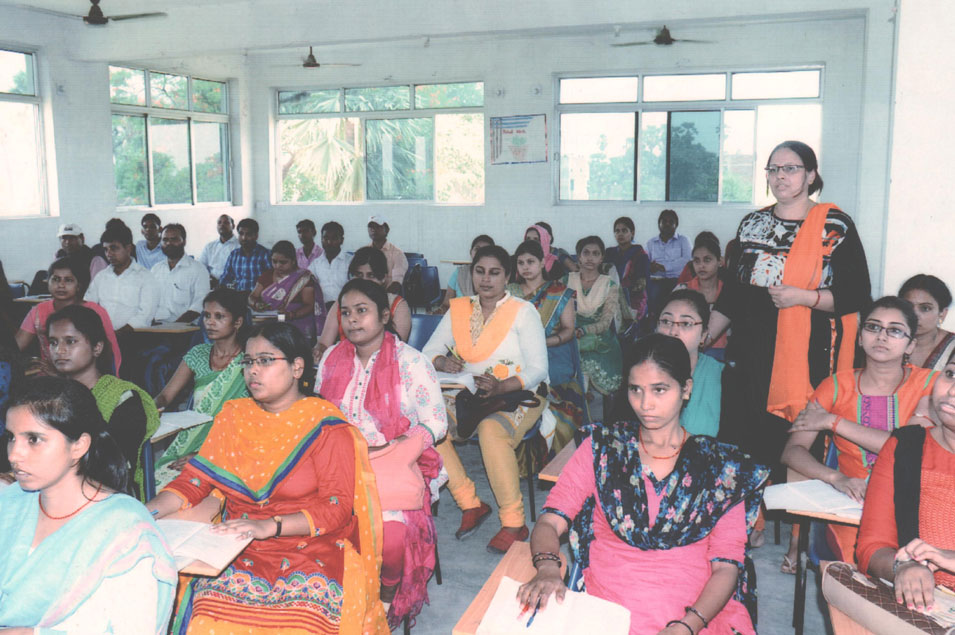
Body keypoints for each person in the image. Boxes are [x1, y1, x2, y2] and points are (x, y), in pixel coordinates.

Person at [147, 322, 388, 634]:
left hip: (309, 545)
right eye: (248, 361)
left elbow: (336, 508)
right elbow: (194, 481)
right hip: (236, 544)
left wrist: (269, 526)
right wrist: (145, 512)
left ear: (297, 367)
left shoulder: (326, 426)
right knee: (205, 623)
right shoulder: (234, 416)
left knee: (298, 628)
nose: (253, 370)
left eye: (265, 360)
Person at [519, 334, 768, 634]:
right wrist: (548, 567)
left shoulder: (720, 469)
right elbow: (550, 520)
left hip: (696, 614)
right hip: (607, 611)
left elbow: (727, 566)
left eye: (659, 390)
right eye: (635, 389)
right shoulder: (603, 450)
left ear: (686, 389)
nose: (645, 403)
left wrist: (687, 626)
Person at [708, 140, 871, 479]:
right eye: (773, 169)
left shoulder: (835, 225)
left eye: (790, 169)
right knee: (746, 441)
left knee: (793, 443)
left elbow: (856, 294)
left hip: (807, 354)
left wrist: (804, 297)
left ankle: (791, 509)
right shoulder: (751, 223)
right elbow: (733, 295)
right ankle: (752, 509)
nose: (780, 176)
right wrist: (702, 336)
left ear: (811, 175)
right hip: (751, 352)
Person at [317, 278, 446, 628]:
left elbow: (437, 422)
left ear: (385, 316)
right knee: (311, 524)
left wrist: (394, 446)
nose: (353, 320)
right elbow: (319, 414)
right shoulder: (331, 358)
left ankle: (385, 600)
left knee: (390, 538)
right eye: (346, 313)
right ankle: (337, 595)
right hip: (340, 462)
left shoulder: (411, 362)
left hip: (394, 463)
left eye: (362, 311)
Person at [0, 377, 176, 633]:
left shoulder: (125, 530)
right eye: (11, 438)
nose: (14, 455)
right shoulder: (11, 502)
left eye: (34, 439)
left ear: (79, 445)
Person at [781, 297, 937, 566]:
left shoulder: (930, 385)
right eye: (873, 327)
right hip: (852, 505)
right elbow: (792, 451)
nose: (882, 336)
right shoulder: (835, 386)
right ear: (860, 337)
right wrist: (836, 478)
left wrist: (833, 422)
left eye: (895, 330)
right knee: (854, 572)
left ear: (911, 344)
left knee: (915, 567)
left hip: (918, 504)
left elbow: (905, 449)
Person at [423, 245, 548, 553]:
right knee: (429, 425)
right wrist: (443, 361)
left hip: (519, 391)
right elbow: (429, 352)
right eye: (480, 271)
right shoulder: (459, 309)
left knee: (492, 430)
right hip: (471, 392)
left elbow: (538, 369)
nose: (486, 279)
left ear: (508, 276)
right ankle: (470, 503)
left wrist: (501, 387)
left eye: (495, 273)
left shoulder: (523, 311)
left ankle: (514, 522)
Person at [856, 349, 955, 610]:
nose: (952, 390)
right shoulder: (906, 448)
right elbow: (872, 547)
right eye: (951, 374)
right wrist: (904, 567)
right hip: (926, 610)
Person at [47, 305, 160, 500]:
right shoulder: (49, 396)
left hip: (107, 494)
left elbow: (112, 465)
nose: (59, 350)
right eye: (53, 342)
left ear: (97, 348)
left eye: (70, 341)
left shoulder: (124, 398)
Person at [153, 288, 250, 484]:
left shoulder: (249, 360)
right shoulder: (198, 354)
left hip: (234, 447)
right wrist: (152, 408)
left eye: (219, 316)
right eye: (206, 315)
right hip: (193, 441)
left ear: (237, 322)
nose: (210, 322)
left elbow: (252, 422)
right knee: (161, 479)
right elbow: (165, 396)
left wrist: (207, 455)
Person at [509, 239, 583, 452]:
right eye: (521, 263)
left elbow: (568, 330)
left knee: (552, 398)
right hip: (516, 352)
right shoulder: (510, 292)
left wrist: (541, 343)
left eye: (530, 262)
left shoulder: (559, 292)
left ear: (542, 262)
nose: (525, 267)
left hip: (553, 352)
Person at [16, 257, 122, 375]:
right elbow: (16, 346)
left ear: (79, 285)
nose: (61, 285)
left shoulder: (95, 311)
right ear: (47, 282)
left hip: (88, 375)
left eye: (68, 280)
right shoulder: (38, 311)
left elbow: (108, 352)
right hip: (50, 374)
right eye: (56, 279)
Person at [313, 246, 412, 361]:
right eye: (359, 275)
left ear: (383, 279)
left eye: (371, 275)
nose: (364, 281)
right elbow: (324, 343)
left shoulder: (397, 306)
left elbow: (396, 350)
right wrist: (319, 350)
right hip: (344, 363)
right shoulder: (341, 304)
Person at [657, 289, 724, 438]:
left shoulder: (723, 378)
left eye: (686, 323)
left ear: (703, 335)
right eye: (666, 321)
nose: (673, 331)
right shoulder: (640, 372)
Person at [566, 236, 623, 398]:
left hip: (600, 338)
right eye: (586, 253)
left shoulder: (609, 285)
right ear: (579, 256)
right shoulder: (566, 281)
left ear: (601, 258)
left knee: (586, 357)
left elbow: (606, 322)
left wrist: (584, 330)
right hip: (569, 332)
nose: (590, 258)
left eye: (595, 253)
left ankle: (585, 396)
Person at [84, 222, 159, 332]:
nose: (109, 254)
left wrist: (118, 334)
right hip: (102, 335)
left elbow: (145, 316)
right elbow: (89, 305)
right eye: (106, 249)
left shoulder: (145, 277)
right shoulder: (101, 277)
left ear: (128, 248)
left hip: (134, 336)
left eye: (114, 248)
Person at [249, 240, 325, 343]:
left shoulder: (303, 278)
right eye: (274, 261)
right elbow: (252, 296)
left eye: (283, 262)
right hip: (270, 323)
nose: (277, 266)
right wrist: (256, 304)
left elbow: (309, 305)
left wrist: (291, 315)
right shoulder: (267, 275)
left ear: (293, 261)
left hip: (296, 325)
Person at [676, 232, 728, 361]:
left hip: (724, 351)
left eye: (707, 260)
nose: (701, 266)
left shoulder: (729, 292)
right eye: (697, 261)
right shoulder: (682, 290)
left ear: (720, 261)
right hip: (689, 351)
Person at [150, 223, 210, 323]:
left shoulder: (198, 269)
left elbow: (199, 304)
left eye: (174, 239)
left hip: (185, 328)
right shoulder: (156, 269)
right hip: (155, 326)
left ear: (184, 241)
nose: (169, 243)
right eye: (165, 240)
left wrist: (175, 326)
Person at [899, 274, 955, 370]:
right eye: (908, 306)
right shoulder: (887, 340)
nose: (915, 315)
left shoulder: (952, 347)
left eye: (925, 308)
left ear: (942, 313)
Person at [604, 216, 651, 326]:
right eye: (617, 231)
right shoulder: (609, 253)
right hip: (610, 294)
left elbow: (641, 284)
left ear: (632, 233)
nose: (620, 234)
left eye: (624, 231)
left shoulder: (640, 255)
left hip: (633, 298)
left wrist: (621, 294)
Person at [647, 209, 692, 314]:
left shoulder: (683, 240)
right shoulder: (651, 243)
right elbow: (645, 262)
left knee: (677, 304)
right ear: (659, 224)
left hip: (678, 280)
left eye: (671, 222)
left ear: (676, 225)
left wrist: (664, 267)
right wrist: (650, 267)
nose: (667, 224)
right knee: (653, 298)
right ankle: (654, 321)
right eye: (664, 221)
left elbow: (687, 261)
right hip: (656, 280)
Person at [440, 234, 494, 313]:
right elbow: (446, 305)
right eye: (477, 249)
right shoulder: (459, 274)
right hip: (460, 318)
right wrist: (438, 311)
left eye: (486, 250)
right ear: (471, 252)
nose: (480, 253)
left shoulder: (497, 277)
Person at [218, 218, 272, 292]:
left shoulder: (265, 255)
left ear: (256, 236)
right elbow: (225, 277)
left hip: (257, 296)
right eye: (241, 234)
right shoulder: (234, 255)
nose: (244, 238)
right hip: (238, 295)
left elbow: (271, 282)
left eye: (248, 234)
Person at [307, 221, 352, 308]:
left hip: (346, 308)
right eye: (325, 238)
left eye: (334, 238)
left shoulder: (350, 261)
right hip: (323, 310)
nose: (329, 242)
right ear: (321, 239)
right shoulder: (315, 264)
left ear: (341, 240)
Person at [367, 213, 408, 295]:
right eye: (371, 227)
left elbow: (396, 283)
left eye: (378, 226)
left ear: (387, 230)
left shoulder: (397, 254)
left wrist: (382, 297)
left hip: (387, 297)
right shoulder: (364, 252)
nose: (373, 229)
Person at [198, 214, 239, 285]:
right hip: (211, 283)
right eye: (219, 223)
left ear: (233, 226)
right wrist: (208, 278)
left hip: (232, 286)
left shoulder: (239, 246)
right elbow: (201, 267)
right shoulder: (210, 246)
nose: (222, 225)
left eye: (226, 222)